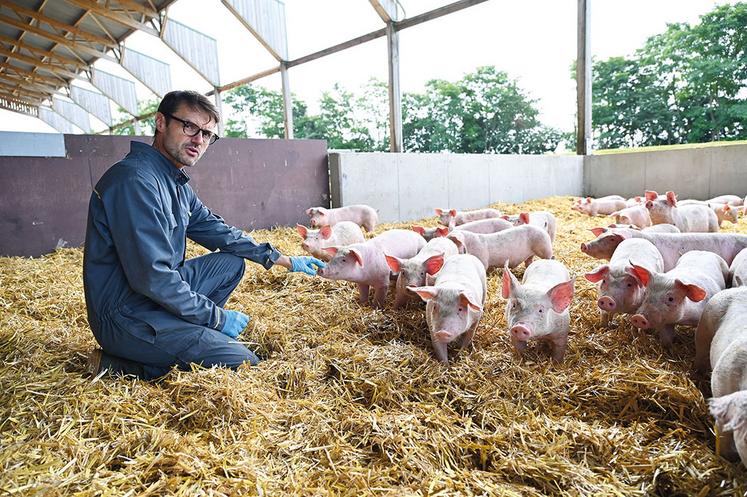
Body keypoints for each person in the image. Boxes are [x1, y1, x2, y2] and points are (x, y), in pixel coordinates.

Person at [83, 90, 325, 380]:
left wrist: (282, 259)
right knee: (242, 360)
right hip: (126, 316)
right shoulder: (135, 180)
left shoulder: (176, 184)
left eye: (207, 134)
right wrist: (216, 318)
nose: (199, 140)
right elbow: (153, 277)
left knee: (231, 263)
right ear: (161, 122)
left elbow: (219, 232)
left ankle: (185, 340)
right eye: (190, 127)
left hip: (151, 300)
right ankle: (124, 365)